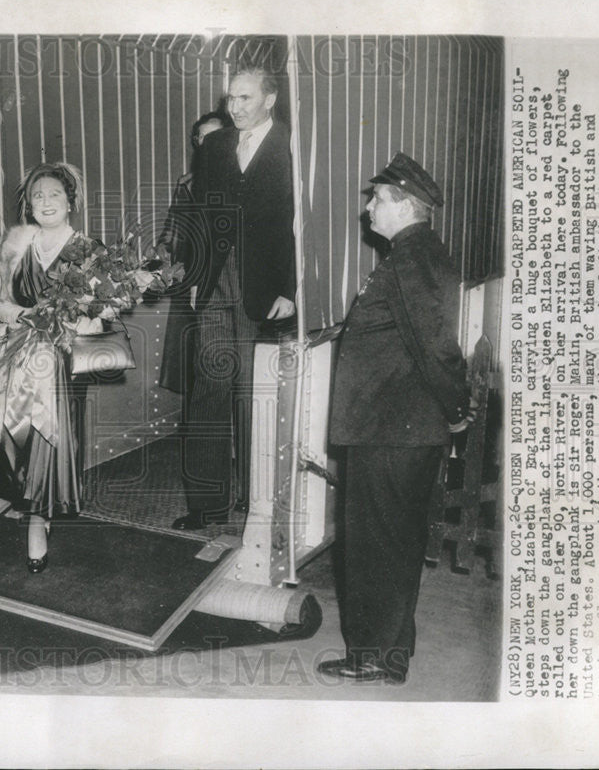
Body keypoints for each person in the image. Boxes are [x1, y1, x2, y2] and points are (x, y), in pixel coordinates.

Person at [318, 152, 475, 685]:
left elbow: (436, 345)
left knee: (375, 544)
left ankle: (373, 655)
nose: (368, 209)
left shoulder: (412, 259)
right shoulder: (415, 254)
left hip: (392, 427)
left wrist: (456, 412)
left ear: (405, 206)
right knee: (393, 540)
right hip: (393, 424)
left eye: (377, 199)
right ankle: (389, 650)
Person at [168, 66, 296, 531]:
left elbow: (301, 224)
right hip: (218, 282)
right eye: (231, 99)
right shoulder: (217, 146)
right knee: (208, 389)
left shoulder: (293, 146)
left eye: (244, 98)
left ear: (270, 99)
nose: (234, 108)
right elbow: (202, 215)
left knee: (251, 397)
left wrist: (290, 287)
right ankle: (207, 505)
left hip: (264, 286)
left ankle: (256, 502)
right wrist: (199, 275)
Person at [0, 162, 97, 573]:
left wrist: (78, 318)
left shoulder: (88, 250)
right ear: (29, 206)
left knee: (51, 440)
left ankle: (36, 519)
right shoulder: (10, 248)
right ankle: (25, 505)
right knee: (19, 439)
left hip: (62, 365)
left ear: (70, 202)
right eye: (37, 196)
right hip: (17, 358)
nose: (46, 202)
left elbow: (100, 315)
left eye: (54, 195)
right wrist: (23, 315)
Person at [159, 109, 228, 397]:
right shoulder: (187, 183)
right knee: (192, 359)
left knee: (221, 360)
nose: (205, 143)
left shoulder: (241, 183)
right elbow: (174, 228)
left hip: (225, 281)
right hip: (189, 277)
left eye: (213, 137)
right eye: (200, 137)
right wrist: (163, 255)